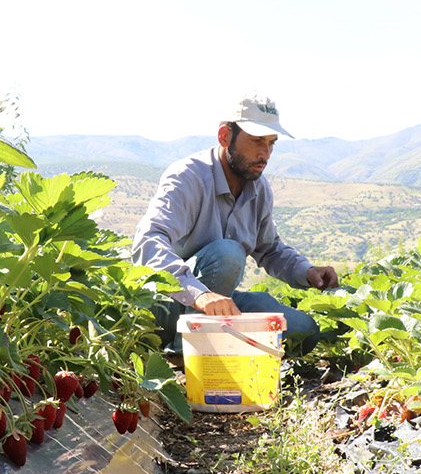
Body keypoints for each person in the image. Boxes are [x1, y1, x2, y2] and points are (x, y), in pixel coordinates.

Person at [131, 93, 339, 355]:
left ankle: (218, 346)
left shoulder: (258, 187)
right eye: (256, 141)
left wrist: (307, 272)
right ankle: (186, 357)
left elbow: (269, 249)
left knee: (301, 329)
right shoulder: (187, 177)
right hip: (166, 305)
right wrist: (199, 295)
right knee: (227, 254)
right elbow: (148, 241)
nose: (265, 153)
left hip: (216, 305)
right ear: (224, 136)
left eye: (272, 143)